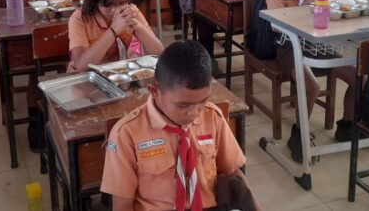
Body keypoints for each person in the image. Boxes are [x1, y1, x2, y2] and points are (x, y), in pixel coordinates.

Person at [101, 41, 259, 211]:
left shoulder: (212, 117)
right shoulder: (127, 133)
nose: (194, 113)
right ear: (154, 91)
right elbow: (122, 206)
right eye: (183, 105)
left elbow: (233, 173)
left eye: (203, 101)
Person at [265, 0, 357, 161]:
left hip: (316, 45)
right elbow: (278, 27)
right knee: (311, 86)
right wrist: (306, 4)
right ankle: (299, 135)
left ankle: (347, 126)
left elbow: (325, 19)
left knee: (356, 77)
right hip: (288, 46)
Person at [67, 0, 163, 72]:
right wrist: (113, 30)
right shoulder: (79, 18)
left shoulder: (131, 11)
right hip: (87, 78)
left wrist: (137, 26)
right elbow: (81, 66)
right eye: (109, 5)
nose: (116, 10)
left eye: (122, 3)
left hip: (117, 74)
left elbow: (159, 53)